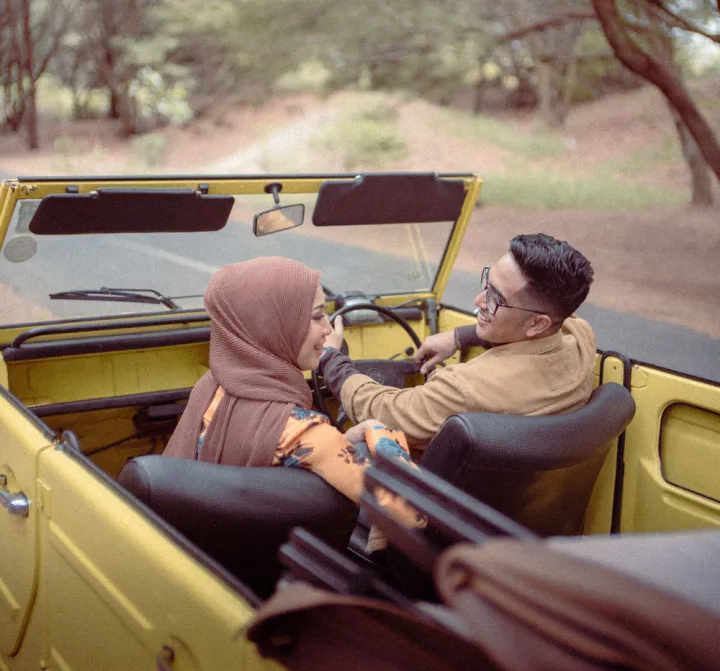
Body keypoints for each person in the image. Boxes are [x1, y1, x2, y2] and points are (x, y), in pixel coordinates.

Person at [163, 256, 424, 549]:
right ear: (274, 325)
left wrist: (342, 441)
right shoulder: (304, 434)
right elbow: (414, 514)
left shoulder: (211, 386)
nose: (328, 329)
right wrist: (381, 436)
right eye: (316, 317)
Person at [320, 233, 596, 453]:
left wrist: (332, 358)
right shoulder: (581, 339)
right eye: (487, 283)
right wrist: (458, 337)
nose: (478, 301)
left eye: (496, 299)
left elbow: (384, 412)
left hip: (421, 497)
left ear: (537, 324)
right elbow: (565, 324)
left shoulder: (464, 388)